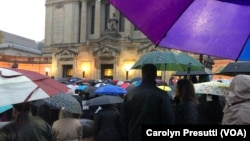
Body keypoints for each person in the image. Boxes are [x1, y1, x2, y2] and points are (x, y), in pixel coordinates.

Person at [122, 64, 175, 141]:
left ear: (142, 74)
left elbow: (124, 118)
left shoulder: (131, 93)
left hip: (134, 135)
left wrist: (126, 136)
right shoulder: (161, 94)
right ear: (155, 75)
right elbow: (169, 118)